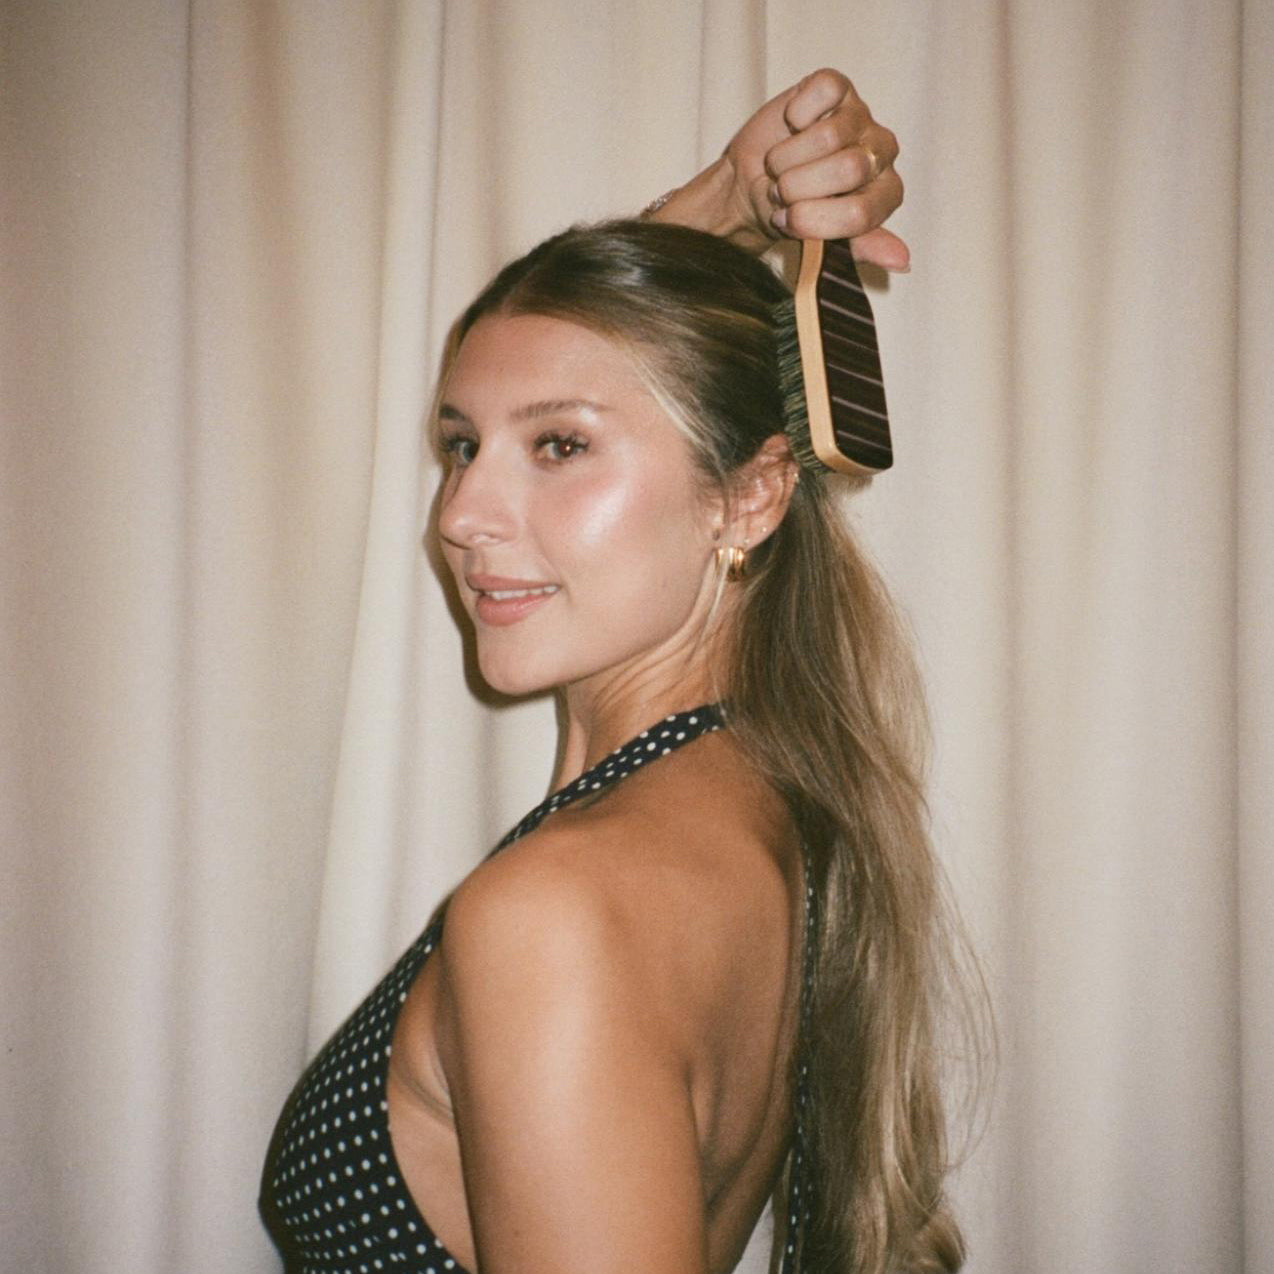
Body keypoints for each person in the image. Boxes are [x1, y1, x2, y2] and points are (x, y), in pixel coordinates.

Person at [262, 70, 979, 1274]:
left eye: (557, 446)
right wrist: (720, 203)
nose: (461, 514)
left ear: (747, 495)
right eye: (460, 444)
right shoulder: (748, 809)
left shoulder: (560, 911)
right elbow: (638, 366)